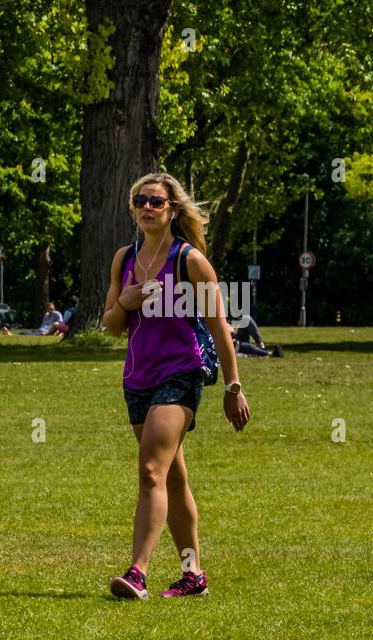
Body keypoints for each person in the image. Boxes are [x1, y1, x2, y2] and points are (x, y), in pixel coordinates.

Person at [101, 172, 251, 599]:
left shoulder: (189, 261)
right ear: (133, 208)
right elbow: (111, 325)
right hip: (137, 380)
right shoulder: (124, 259)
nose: (148, 208)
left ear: (172, 210)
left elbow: (220, 328)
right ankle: (193, 575)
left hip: (181, 375)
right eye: (141, 201)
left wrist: (233, 387)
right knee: (172, 478)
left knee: (151, 469)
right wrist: (126, 302)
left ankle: (137, 572)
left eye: (157, 202)